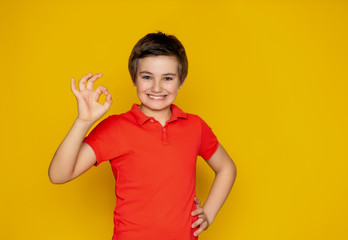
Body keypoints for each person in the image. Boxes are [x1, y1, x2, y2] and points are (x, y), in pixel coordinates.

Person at [48, 31, 237, 240]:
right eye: (147, 77)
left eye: (167, 78)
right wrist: (83, 122)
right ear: (134, 79)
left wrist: (208, 214)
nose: (157, 87)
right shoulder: (116, 128)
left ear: (181, 81)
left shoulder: (195, 127)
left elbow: (227, 168)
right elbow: (58, 175)